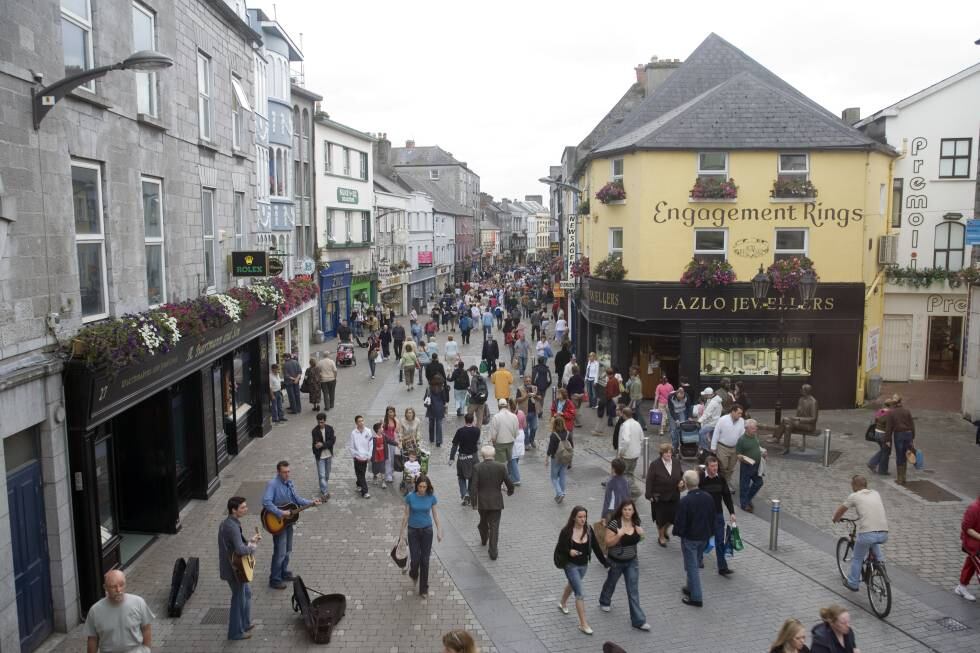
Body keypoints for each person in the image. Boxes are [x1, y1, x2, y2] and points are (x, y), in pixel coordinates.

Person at [262, 461, 322, 589]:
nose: (287, 474)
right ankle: (275, 579)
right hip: (277, 522)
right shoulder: (272, 484)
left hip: (288, 522)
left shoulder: (290, 483)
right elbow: (266, 502)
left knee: (288, 550)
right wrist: (280, 512)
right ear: (278, 472)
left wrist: (311, 502)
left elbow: (297, 499)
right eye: (284, 472)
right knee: (280, 552)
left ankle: (284, 572)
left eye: (288, 471)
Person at [554, 505, 609, 636]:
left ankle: (562, 603)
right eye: (580, 517)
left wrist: (605, 563)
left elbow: (596, 547)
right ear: (574, 517)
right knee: (580, 593)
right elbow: (560, 548)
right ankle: (583, 624)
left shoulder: (589, 530)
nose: (583, 519)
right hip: (570, 565)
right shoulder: (566, 531)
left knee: (573, 585)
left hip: (584, 565)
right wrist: (570, 551)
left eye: (584, 517)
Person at [598, 499, 651, 631]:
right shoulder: (615, 524)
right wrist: (619, 535)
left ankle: (638, 620)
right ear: (621, 510)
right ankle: (604, 600)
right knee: (611, 582)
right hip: (616, 562)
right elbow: (608, 543)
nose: (627, 512)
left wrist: (642, 534)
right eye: (625, 509)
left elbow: (639, 540)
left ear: (634, 511)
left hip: (632, 561)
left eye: (630, 510)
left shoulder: (636, 522)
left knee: (633, 590)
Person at [832, 475, 887, 592]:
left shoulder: (854, 496)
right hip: (883, 533)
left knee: (857, 558)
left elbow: (841, 510)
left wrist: (835, 518)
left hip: (867, 534)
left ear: (855, 485)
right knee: (873, 541)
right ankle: (880, 565)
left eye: (852, 485)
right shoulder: (876, 493)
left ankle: (853, 583)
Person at [218, 496, 261, 641]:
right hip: (235, 570)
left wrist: (249, 541)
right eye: (242, 507)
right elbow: (241, 550)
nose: (246, 509)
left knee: (246, 594)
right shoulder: (233, 527)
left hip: (232, 567)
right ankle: (235, 632)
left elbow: (236, 546)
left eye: (245, 506)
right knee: (238, 599)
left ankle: (245, 623)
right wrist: (252, 546)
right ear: (233, 510)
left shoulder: (228, 523)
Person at [84, 569, 153, 652]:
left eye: (121, 585)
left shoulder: (138, 602)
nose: (118, 590)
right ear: (105, 587)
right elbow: (93, 639)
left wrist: (146, 649)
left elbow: (146, 628)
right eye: (113, 586)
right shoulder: (95, 611)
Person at [673, 469, 714, 607]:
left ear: (685, 483)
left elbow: (680, 521)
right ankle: (690, 587)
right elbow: (711, 516)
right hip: (704, 536)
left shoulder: (686, 501)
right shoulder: (708, 497)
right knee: (694, 563)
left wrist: (678, 532)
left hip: (690, 538)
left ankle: (696, 597)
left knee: (692, 567)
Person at [399, 475, 443, 598]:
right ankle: (413, 574)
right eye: (420, 486)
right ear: (416, 486)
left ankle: (423, 588)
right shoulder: (410, 497)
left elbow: (435, 515)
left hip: (427, 531)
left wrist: (439, 530)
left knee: (425, 560)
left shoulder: (431, 497)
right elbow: (406, 515)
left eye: (424, 487)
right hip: (413, 531)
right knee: (415, 560)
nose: (422, 489)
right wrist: (401, 533)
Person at [471, 445, 515, 560]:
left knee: (483, 521)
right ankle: (493, 551)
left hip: (482, 502)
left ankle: (484, 538)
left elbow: (473, 486)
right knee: (495, 526)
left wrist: (474, 502)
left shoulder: (477, 467)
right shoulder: (501, 467)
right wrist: (510, 491)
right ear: (494, 455)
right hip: (496, 501)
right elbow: (509, 482)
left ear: (482, 455)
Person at [699, 456, 736, 576]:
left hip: (717, 514)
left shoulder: (721, 479)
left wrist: (732, 512)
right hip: (704, 515)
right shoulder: (700, 479)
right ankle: (698, 557)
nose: (715, 468)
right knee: (703, 539)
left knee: (719, 540)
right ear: (707, 466)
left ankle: (722, 567)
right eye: (712, 466)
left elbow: (727, 497)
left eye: (716, 466)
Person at [646, 442, 684, 547]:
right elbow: (649, 480)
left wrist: (681, 482)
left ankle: (665, 530)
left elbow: (681, 474)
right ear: (661, 453)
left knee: (673, 518)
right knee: (661, 519)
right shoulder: (655, 465)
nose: (668, 454)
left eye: (670, 452)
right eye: (666, 453)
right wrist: (649, 495)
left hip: (674, 496)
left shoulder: (676, 462)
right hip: (660, 497)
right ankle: (661, 537)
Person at [771, 384, 819, 453]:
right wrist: (795, 420)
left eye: (802, 389)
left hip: (809, 425)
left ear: (806, 391)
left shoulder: (813, 402)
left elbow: (814, 419)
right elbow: (798, 413)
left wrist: (798, 419)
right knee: (788, 426)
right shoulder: (801, 399)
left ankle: (777, 438)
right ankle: (786, 448)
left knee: (785, 420)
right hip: (798, 423)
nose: (800, 390)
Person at [449, 413, 482, 505]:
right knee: (472, 477)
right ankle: (470, 494)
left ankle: (464, 494)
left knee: (461, 477)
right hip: (473, 457)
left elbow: (455, 445)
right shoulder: (477, 430)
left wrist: (451, 458)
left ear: (465, 420)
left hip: (463, 457)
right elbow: (478, 442)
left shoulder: (460, 431)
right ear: (473, 420)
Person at [883, 394, 915, 485]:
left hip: (899, 435)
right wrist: (912, 437)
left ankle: (900, 478)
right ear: (901, 402)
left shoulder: (891, 412)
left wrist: (887, 440)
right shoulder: (907, 411)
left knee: (899, 455)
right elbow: (912, 425)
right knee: (906, 454)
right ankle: (904, 477)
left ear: (893, 403)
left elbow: (888, 428)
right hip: (908, 434)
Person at [710, 403, 745, 485]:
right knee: (723, 467)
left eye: (741, 413)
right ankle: (721, 482)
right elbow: (716, 433)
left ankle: (727, 482)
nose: (740, 415)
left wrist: (742, 448)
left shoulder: (742, 421)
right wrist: (713, 447)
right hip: (723, 447)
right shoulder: (722, 420)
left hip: (735, 448)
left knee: (731, 468)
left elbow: (742, 435)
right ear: (733, 411)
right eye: (738, 413)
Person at [954, 492, 980, 601]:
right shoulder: (973, 508)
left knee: (970, 564)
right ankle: (961, 587)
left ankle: (961, 587)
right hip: (973, 545)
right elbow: (966, 528)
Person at [736, 419, 765, 511]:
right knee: (744, 485)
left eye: (755, 427)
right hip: (747, 466)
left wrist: (762, 452)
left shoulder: (755, 437)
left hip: (756, 465)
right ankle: (744, 505)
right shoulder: (741, 440)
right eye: (752, 428)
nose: (755, 429)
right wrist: (743, 458)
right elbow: (738, 454)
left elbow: (757, 447)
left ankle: (747, 499)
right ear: (746, 428)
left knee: (759, 482)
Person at [546, 415, 574, 503]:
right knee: (562, 476)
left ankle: (560, 493)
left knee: (553, 477)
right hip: (566, 458)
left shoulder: (554, 435)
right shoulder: (568, 433)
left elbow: (551, 448)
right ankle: (561, 493)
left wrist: (547, 458)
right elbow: (572, 446)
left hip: (556, 459)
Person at [618, 407, 643, 495]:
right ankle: (629, 491)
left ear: (624, 415)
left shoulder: (625, 425)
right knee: (630, 473)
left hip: (627, 454)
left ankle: (635, 491)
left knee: (624, 474)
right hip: (635, 454)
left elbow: (626, 440)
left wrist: (621, 452)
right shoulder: (637, 423)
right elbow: (642, 438)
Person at [867, 397, 894, 475]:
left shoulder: (880, 411)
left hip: (877, 433)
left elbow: (876, 420)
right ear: (891, 405)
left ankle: (875, 465)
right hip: (883, 434)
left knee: (884, 450)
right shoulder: (890, 413)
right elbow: (889, 427)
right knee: (885, 451)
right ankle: (875, 465)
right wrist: (888, 439)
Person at [348, 416, 373, 499]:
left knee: (361, 473)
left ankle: (358, 484)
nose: (361, 422)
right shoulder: (353, 433)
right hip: (357, 457)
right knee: (361, 474)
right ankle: (365, 492)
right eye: (359, 421)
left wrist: (369, 455)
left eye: (362, 421)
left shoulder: (368, 431)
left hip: (365, 457)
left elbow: (371, 444)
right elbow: (351, 446)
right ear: (356, 423)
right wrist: (354, 456)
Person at [311, 412, 336, 497]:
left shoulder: (330, 429)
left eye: (321, 422)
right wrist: (317, 447)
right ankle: (324, 491)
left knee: (327, 475)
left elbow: (332, 441)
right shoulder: (315, 431)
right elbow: (315, 444)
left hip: (328, 455)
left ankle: (323, 486)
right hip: (320, 456)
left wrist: (322, 444)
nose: (320, 424)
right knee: (321, 475)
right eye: (318, 422)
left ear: (325, 421)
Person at [490, 397, 519, 464]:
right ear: (507, 406)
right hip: (510, 442)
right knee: (510, 461)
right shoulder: (514, 416)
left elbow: (493, 435)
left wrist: (494, 444)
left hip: (500, 443)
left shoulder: (496, 417)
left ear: (498, 406)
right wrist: (512, 438)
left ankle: (503, 474)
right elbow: (516, 432)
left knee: (501, 463)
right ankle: (509, 474)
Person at [602, 458, 630, 522]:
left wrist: (603, 516)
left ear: (613, 469)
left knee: (611, 530)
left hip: (611, 511)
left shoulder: (611, 482)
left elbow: (607, 501)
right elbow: (628, 496)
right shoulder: (626, 481)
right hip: (623, 510)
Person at [425, 374, 449, 447]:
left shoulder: (429, 388)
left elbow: (425, 398)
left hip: (431, 408)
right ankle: (438, 441)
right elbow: (444, 399)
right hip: (439, 408)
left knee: (431, 424)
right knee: (439, 425)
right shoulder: (442, 389)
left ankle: (431, 438)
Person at [667, 386, 691, 452]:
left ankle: (683, 445)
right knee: (673, 429)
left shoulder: (686, 396)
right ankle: (675, 446)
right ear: (676, 394)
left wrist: (689, 416)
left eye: (682, 398)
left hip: (682, 411)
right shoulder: (670, 397)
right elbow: (671, 410)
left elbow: (688, 407)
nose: (680, 400)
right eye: (679, 398)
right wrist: (676, 419)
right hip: (673, 411)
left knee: (682, 427)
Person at [370, 421, 387, 488]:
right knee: (375, 469)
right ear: (378, 429)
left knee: (382, 469)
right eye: (382, 427)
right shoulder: (373, 438)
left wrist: (396, 444)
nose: (383, 428)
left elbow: (390, 440)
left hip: (382, 456)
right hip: (376, 457)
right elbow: (369, 446)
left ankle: (383, 481)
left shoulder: (384, 436)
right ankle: (375, 477)